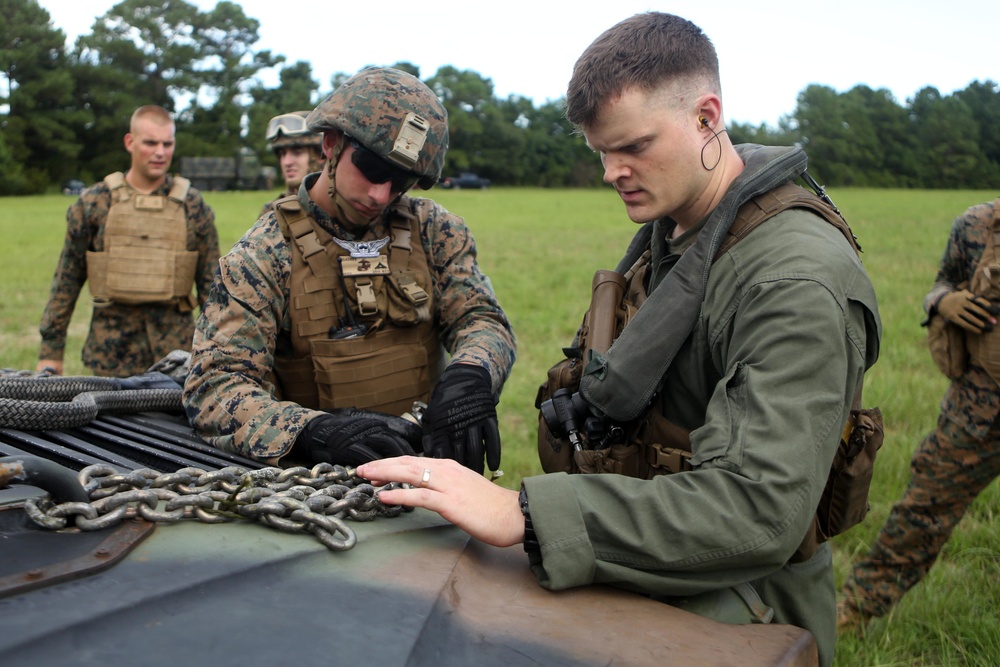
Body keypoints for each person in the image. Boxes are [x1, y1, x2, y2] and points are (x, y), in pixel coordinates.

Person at [356, 13, 881, 667]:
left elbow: (758, 509)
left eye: (633, 145)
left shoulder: (793, 276)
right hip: (652, 571)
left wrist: (526, 513)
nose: (612, 171)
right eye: (601, 151)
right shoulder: (675, 235)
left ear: (707, 116)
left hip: (748, 613)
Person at [182, 67, 516, 475]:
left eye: (400, 182)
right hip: (316, 486)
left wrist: (473, 372)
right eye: (372, 170)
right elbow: (214, 386)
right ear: (330, 144)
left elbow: (482, 319)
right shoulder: (264, 254)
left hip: (431, 473)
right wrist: (313, 431)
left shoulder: (434, 230)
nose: (380, 195)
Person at [837, 198, 1000, 632]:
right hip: (980, 407)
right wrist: (942, 303)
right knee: (925, 507)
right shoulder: (977, 225)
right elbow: (943, 282)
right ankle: (856, 609)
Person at [37, 105, 219, 378]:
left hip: (176, 357)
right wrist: (50, 353)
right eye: (151, 143)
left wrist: (216, 354)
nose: (160, 152)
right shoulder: (95, 203)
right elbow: (67, 278)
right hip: (110, 354)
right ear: (129, 142)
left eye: (167, 143)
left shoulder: (193, 206)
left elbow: (211, 288)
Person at [260, 110, 325, 215]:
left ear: (321, 156)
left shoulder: (340, 208)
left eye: (297, 152)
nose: (286, 162)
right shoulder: (272, 211)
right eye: (282, 154)